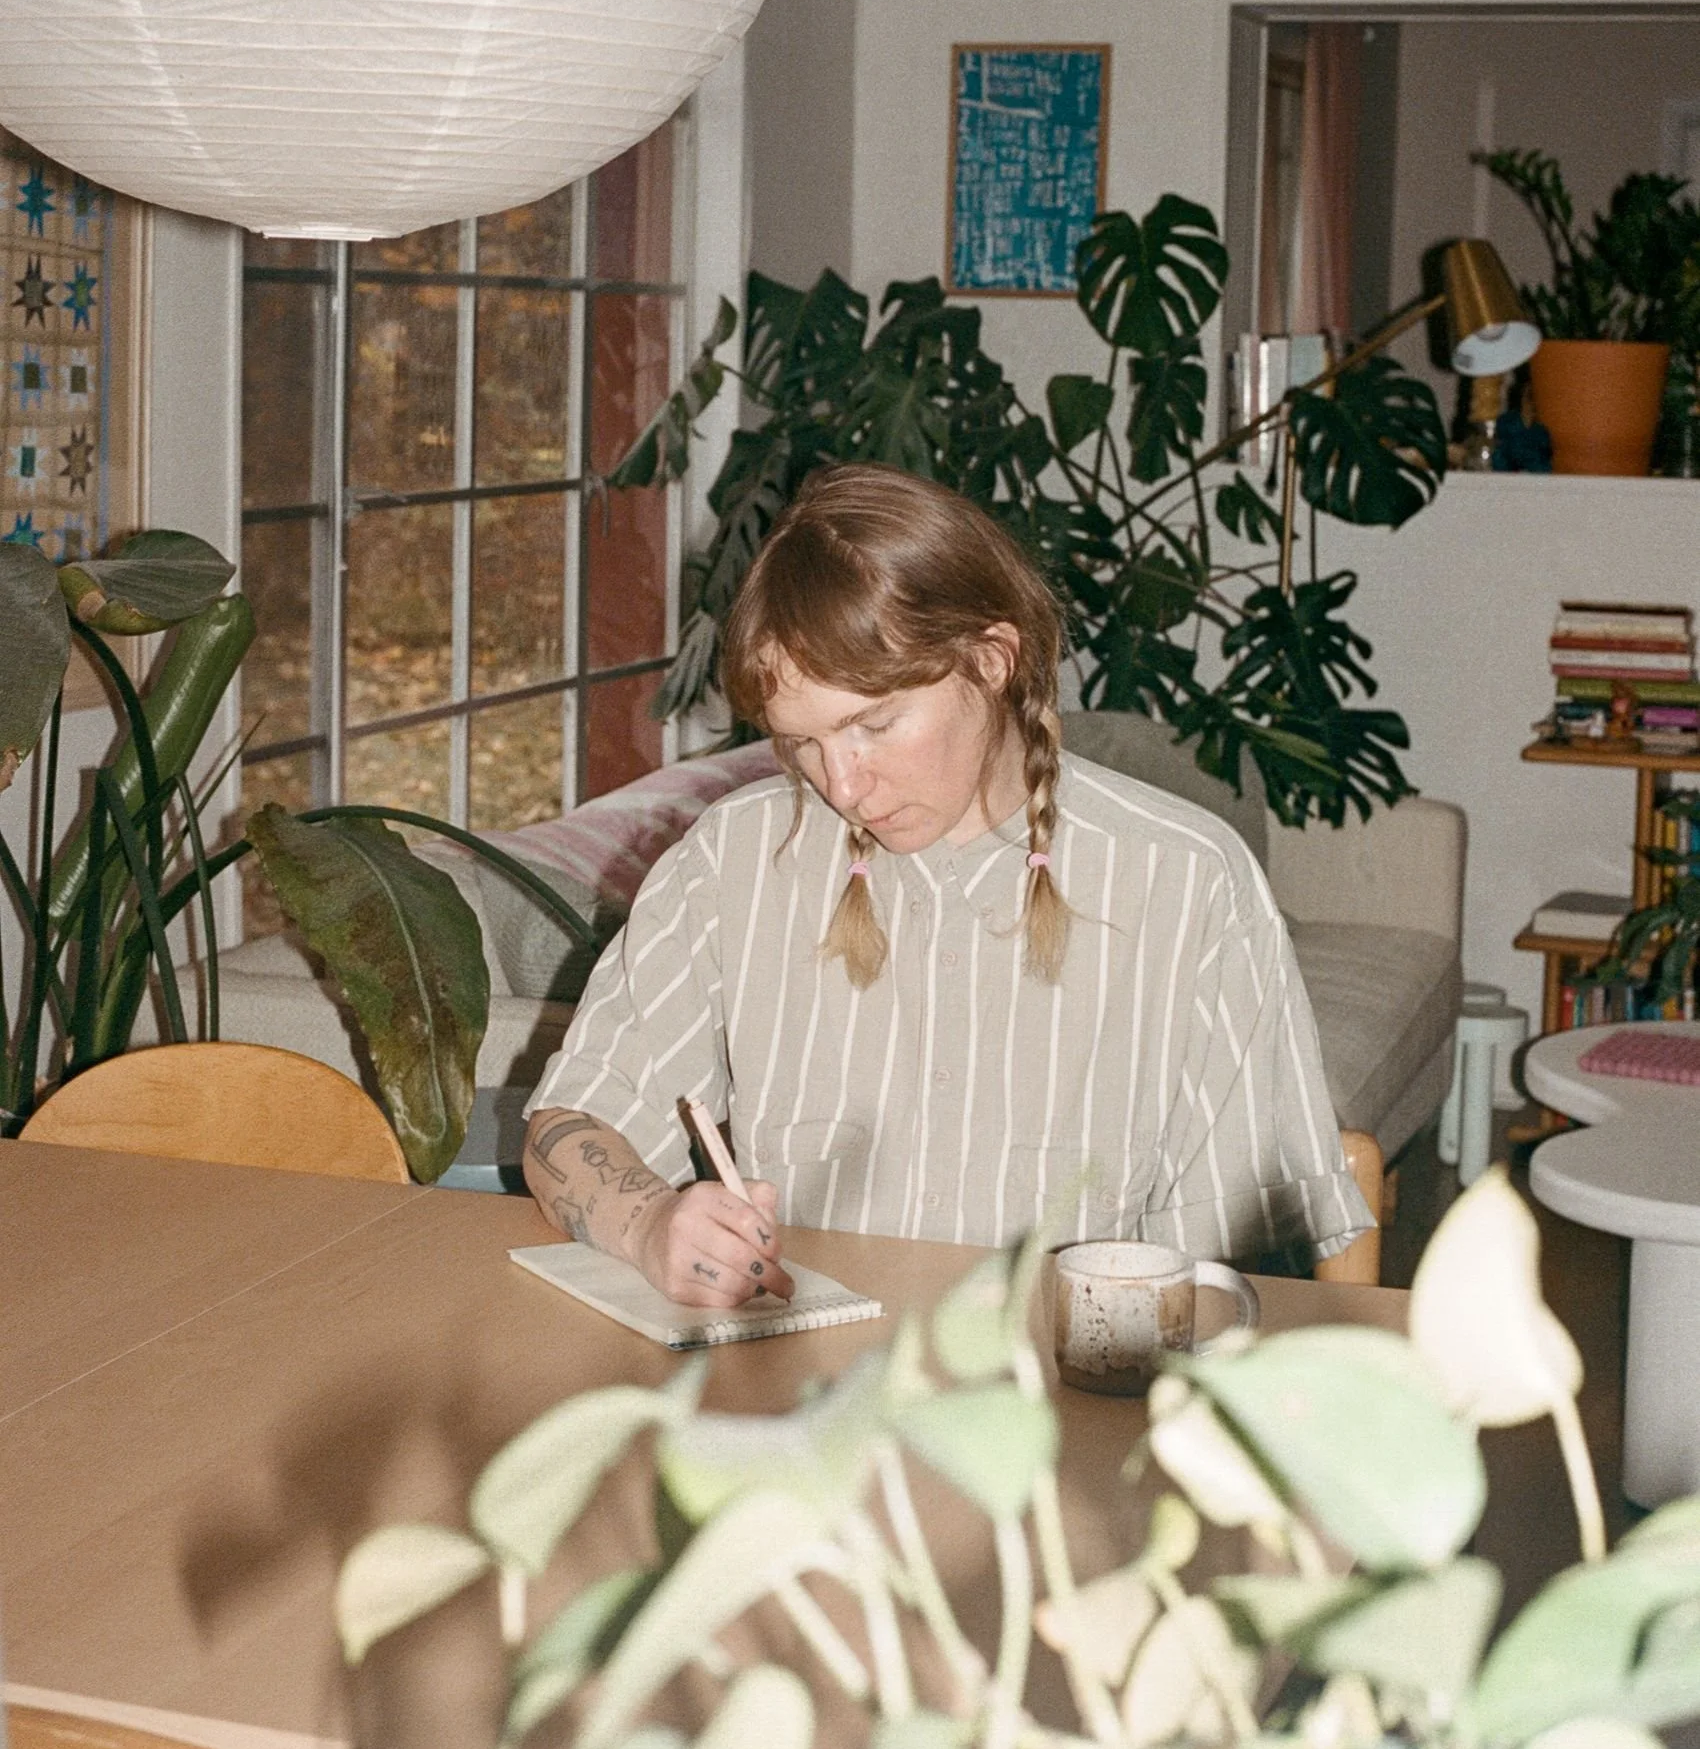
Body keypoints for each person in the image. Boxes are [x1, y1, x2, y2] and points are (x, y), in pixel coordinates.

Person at [522, 465, 1371, 1307]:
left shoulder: (1186, 883)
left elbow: (1242, 1274)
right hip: (806, 1378)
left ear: (991, 659)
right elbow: (568, 1124)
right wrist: (650, 1224)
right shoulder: (733, 860)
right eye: (802, 743)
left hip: (1062, 1380)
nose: (841, 785)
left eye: (874, 724)